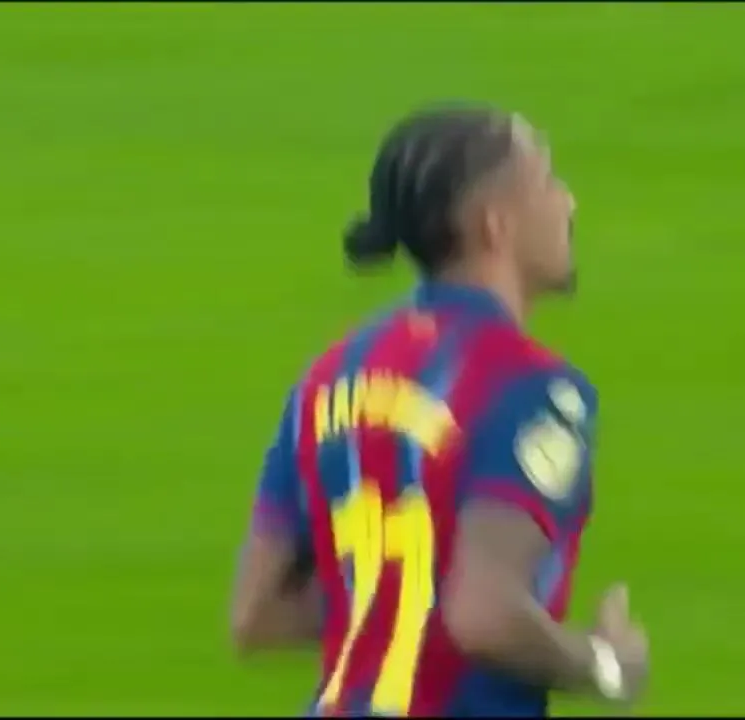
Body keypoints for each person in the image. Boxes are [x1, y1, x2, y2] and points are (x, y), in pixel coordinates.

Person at [230, 104, 649, 716]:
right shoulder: (531, 388)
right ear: (495, 224)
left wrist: (397, 584)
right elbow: (483, 615)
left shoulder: (329, 377)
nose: (569, 203)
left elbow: (257, 615)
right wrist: (604, 665)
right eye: (547, 182)